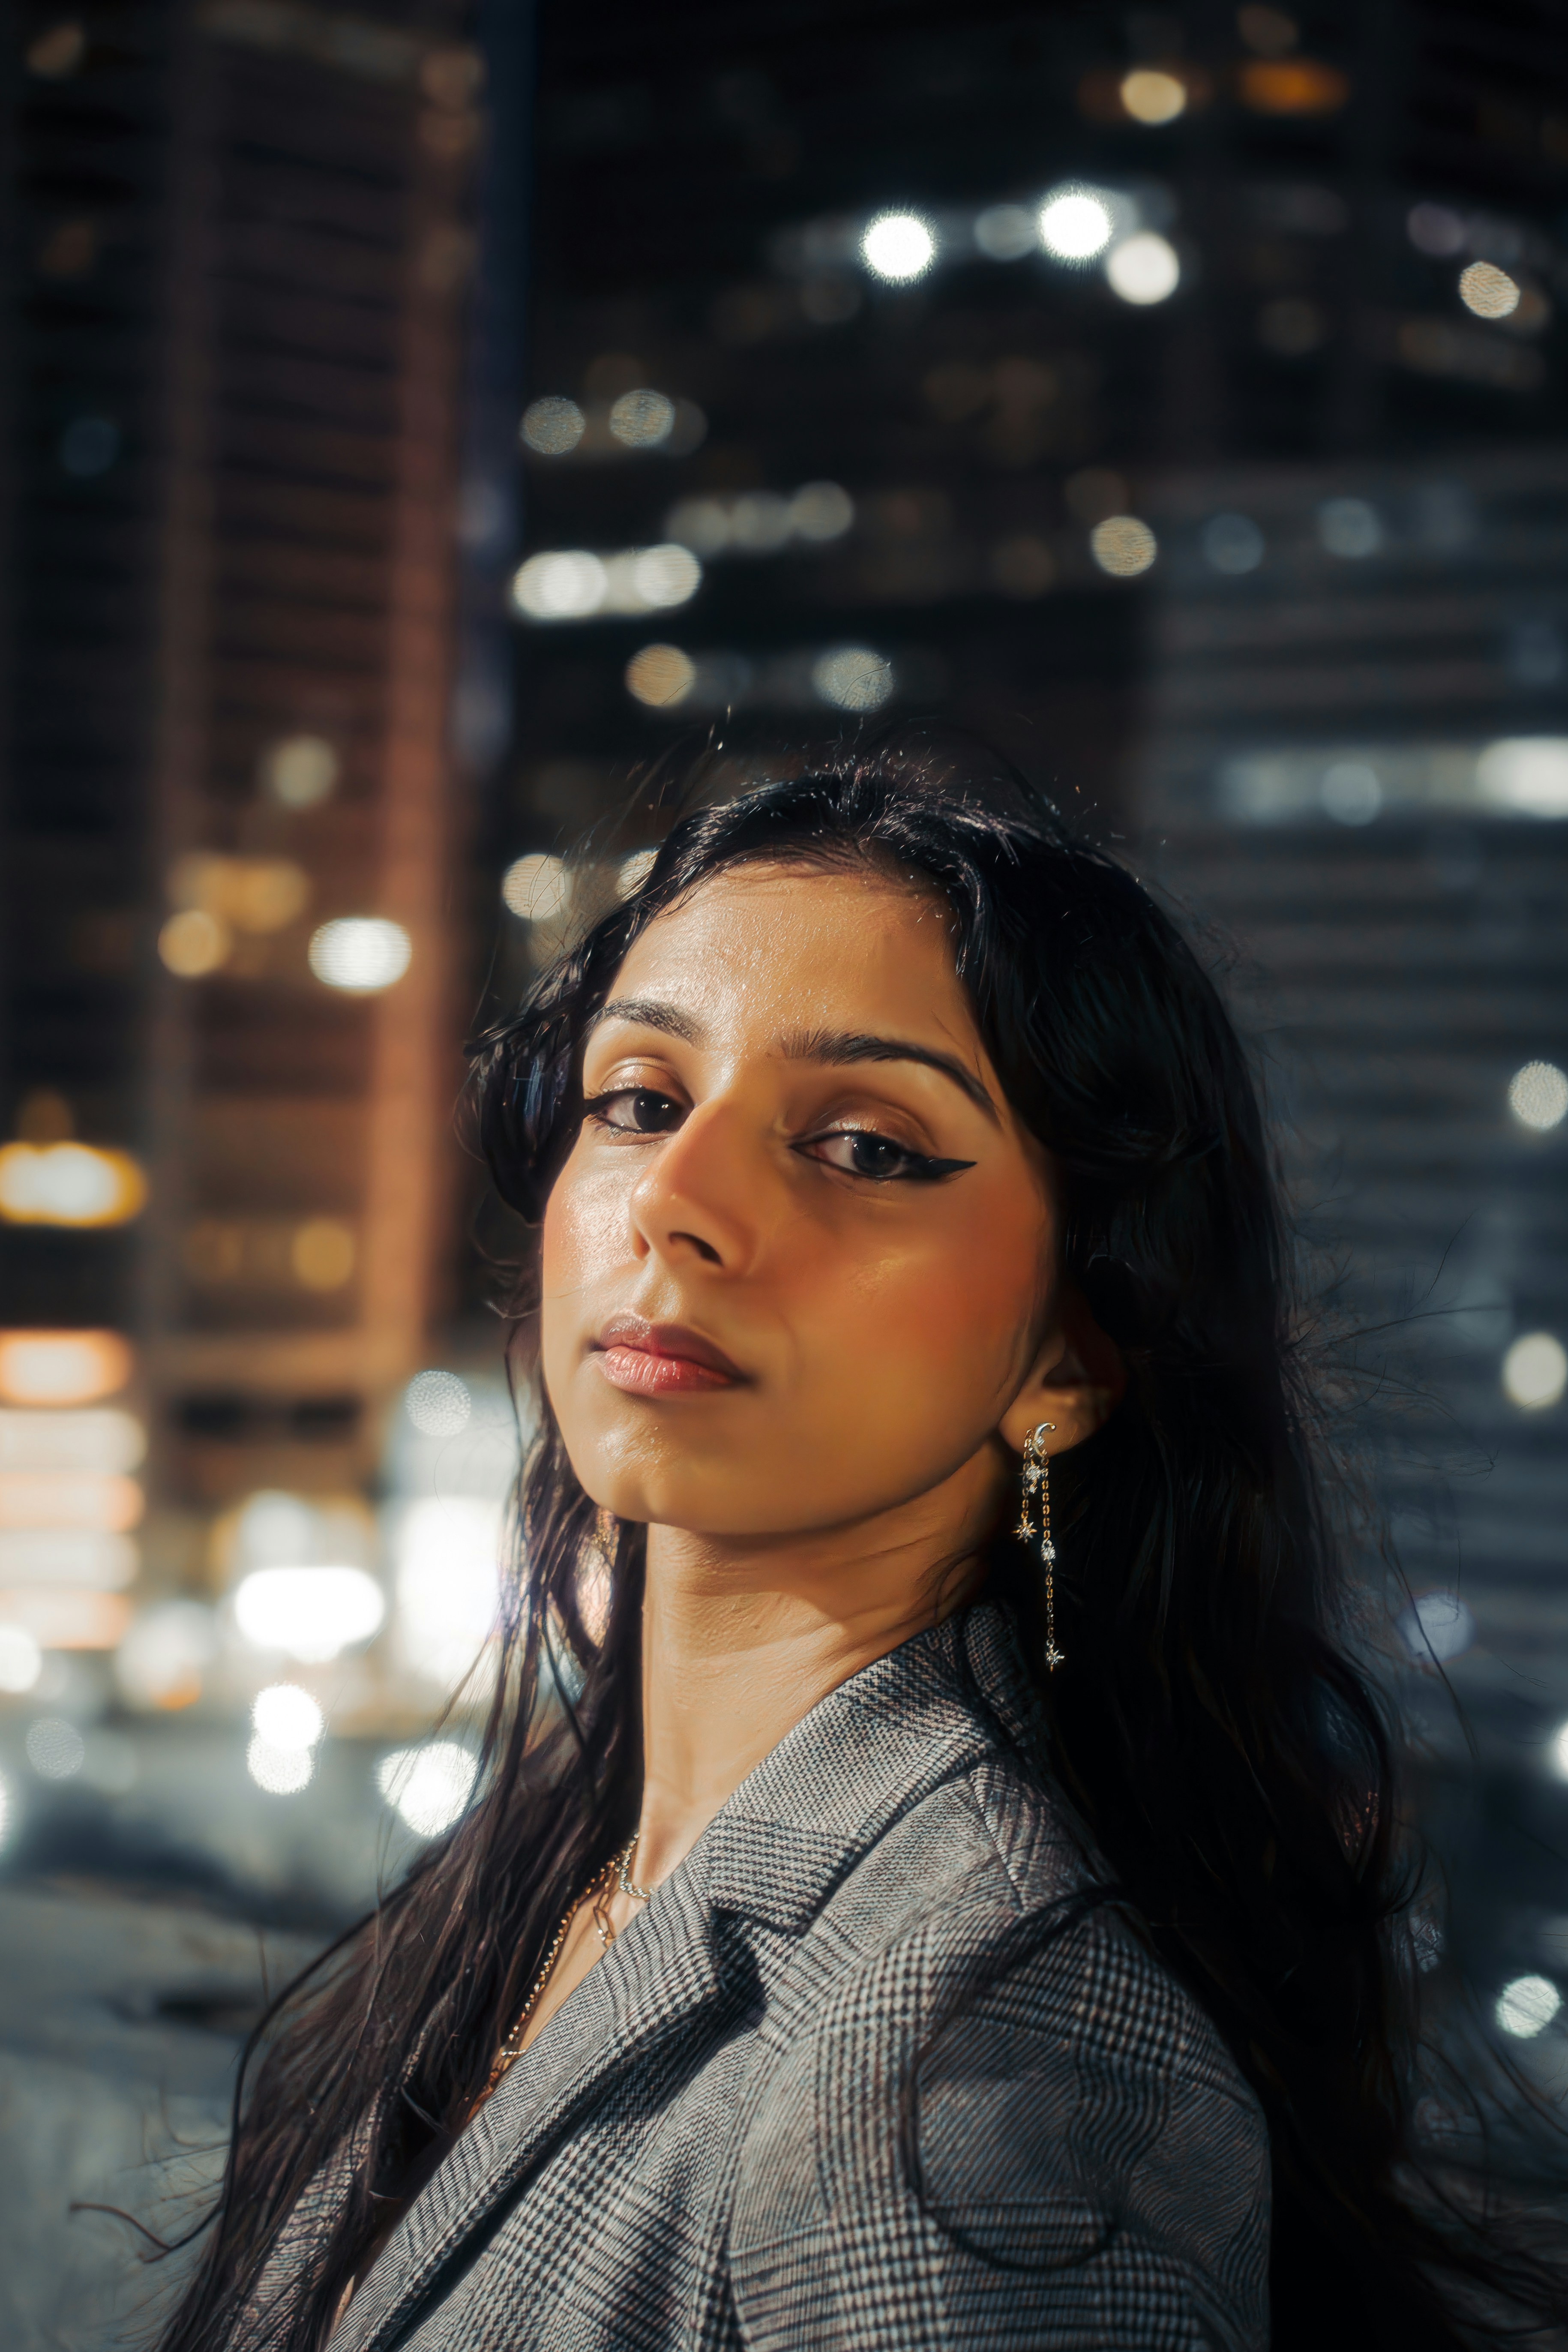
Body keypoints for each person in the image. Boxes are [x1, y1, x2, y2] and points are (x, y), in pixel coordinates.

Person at [159, 741, 1562, 2351]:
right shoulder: (573, 1859)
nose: (676, 1199)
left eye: (866, 1146)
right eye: (639, 1099)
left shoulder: (987, 2053)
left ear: (1074, 1354)